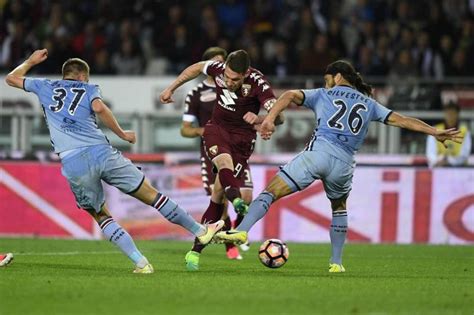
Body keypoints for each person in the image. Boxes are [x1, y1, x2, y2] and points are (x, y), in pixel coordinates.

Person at [215, 60, 462, 273]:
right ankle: (336, 262)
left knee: (271, 192)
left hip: (318, 154)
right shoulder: (370, 103)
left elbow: (289, 94)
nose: (326, 83)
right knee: (339, 207)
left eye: (327, 79)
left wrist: (268, 119)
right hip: (344, 164)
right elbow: (402, 120)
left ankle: (243, 231)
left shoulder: (324, 94)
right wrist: (434, 132)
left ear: (338, 76)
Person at [5, 49, 224, 274]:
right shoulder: (89, 89)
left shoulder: (45, 86)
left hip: (73, 160)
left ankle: (141, 263)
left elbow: (10, 78)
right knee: (151, 195)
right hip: (102, 151)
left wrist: (30, 61)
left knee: (101, 215)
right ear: (82, 76)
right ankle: (199, 230)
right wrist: (122, 134)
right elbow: (99, 107)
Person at [161, 49, 283, 271]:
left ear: (246, 73)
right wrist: (172, 87)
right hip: (216, 129)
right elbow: (197, 67)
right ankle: (236, 201)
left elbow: (279, 116)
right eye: (226, 76)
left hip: (243, 139)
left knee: (217, 196)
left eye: (234, 79)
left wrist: (262, 119)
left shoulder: (259, 83)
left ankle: (195, 251)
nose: (228, 81)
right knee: (223, 163)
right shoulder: (218, 69)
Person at [181, 47, 253, 265]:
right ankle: (230, 246)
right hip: (212, 151)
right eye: (217, 64)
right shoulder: (196, 94)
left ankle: (235, 232)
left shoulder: (239, 87)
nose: (222, 69)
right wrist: (207, 131)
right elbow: (184, 129)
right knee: (220, 204)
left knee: (247, 194)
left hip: (237, 149)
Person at [426, 101, 471, 167]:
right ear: (445, 114)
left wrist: (449, 161)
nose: (450, 116)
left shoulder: (464, 131)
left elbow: (464, 155)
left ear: (457, 114)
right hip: (438, 167)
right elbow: (430, 154)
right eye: (448, 113)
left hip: (460, 169)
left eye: (453, 113)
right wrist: (438, 161)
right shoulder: (435, 130)